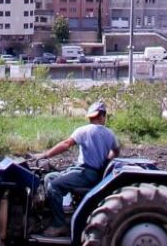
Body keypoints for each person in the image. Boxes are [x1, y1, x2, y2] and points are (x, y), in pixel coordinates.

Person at [31, 101, 120, 237]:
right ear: (102, 116)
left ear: (92, 116)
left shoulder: (84, 130)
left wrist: (44, 155)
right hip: (91, 173)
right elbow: (116, 151)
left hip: (85, 173)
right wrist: (106, 160)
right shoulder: (110, 134)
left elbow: (66, 144)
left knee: (54, 186)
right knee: (49, 177)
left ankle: (59, 224)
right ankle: (49, 217)